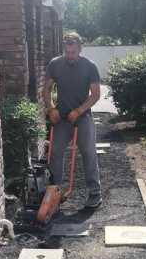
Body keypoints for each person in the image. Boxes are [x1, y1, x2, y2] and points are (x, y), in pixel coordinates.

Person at [43, 32, 102, 208]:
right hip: (61, 117)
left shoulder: (90, 66)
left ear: (80, 49)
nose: (70, 56)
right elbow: (46, 90)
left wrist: (79, 110)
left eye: (73, 53)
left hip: (82, 117)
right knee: (55, 152)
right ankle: (55, 192)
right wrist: (50, 108)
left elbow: (95, 95)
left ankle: (94, 193)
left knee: (89, 153)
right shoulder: (55, 64)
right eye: (67, 53)